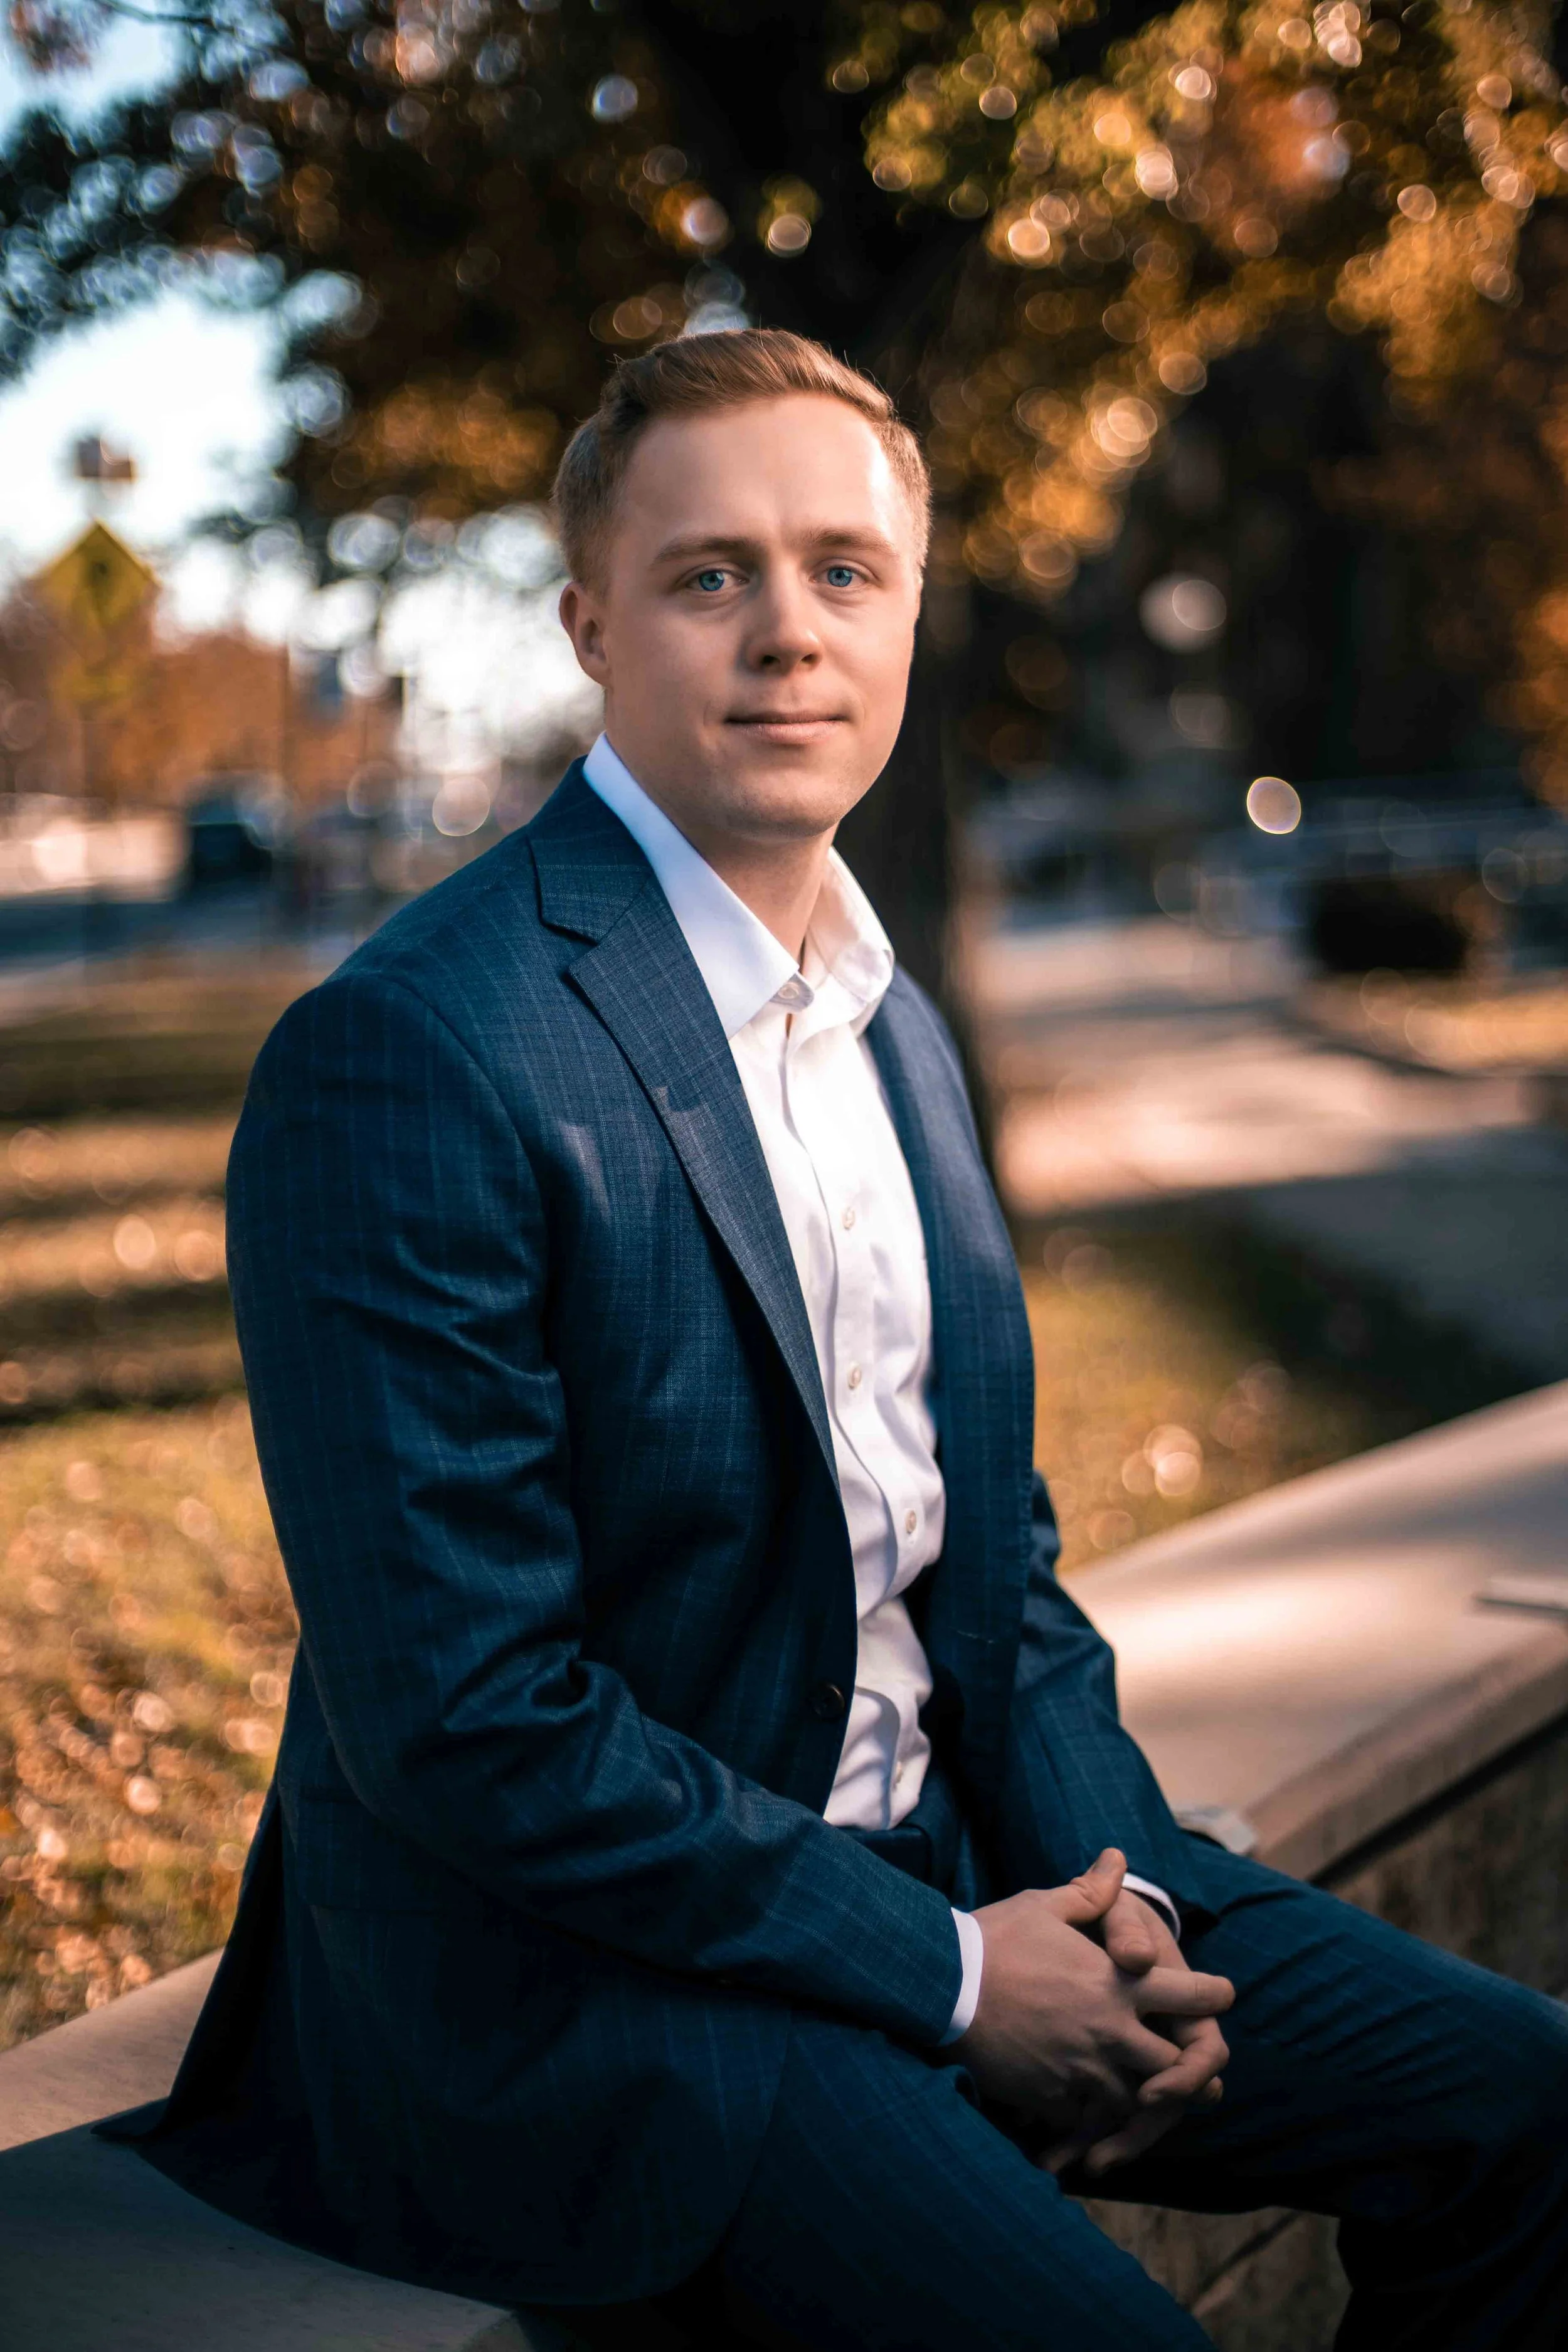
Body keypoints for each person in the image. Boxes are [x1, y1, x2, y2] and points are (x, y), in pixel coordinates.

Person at [135, 330, 1568, 2349]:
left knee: (1525, 2104)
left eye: (843, 570)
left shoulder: (892, 1020)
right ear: (589, 628)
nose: (785, 633)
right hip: (593, 1985)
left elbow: (1001, 1569)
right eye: (708, 574)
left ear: (908, 614)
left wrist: (1117, 1894)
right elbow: (465, 1715)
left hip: (971, 1868)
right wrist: (962, 1977)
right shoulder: (413, 1050)